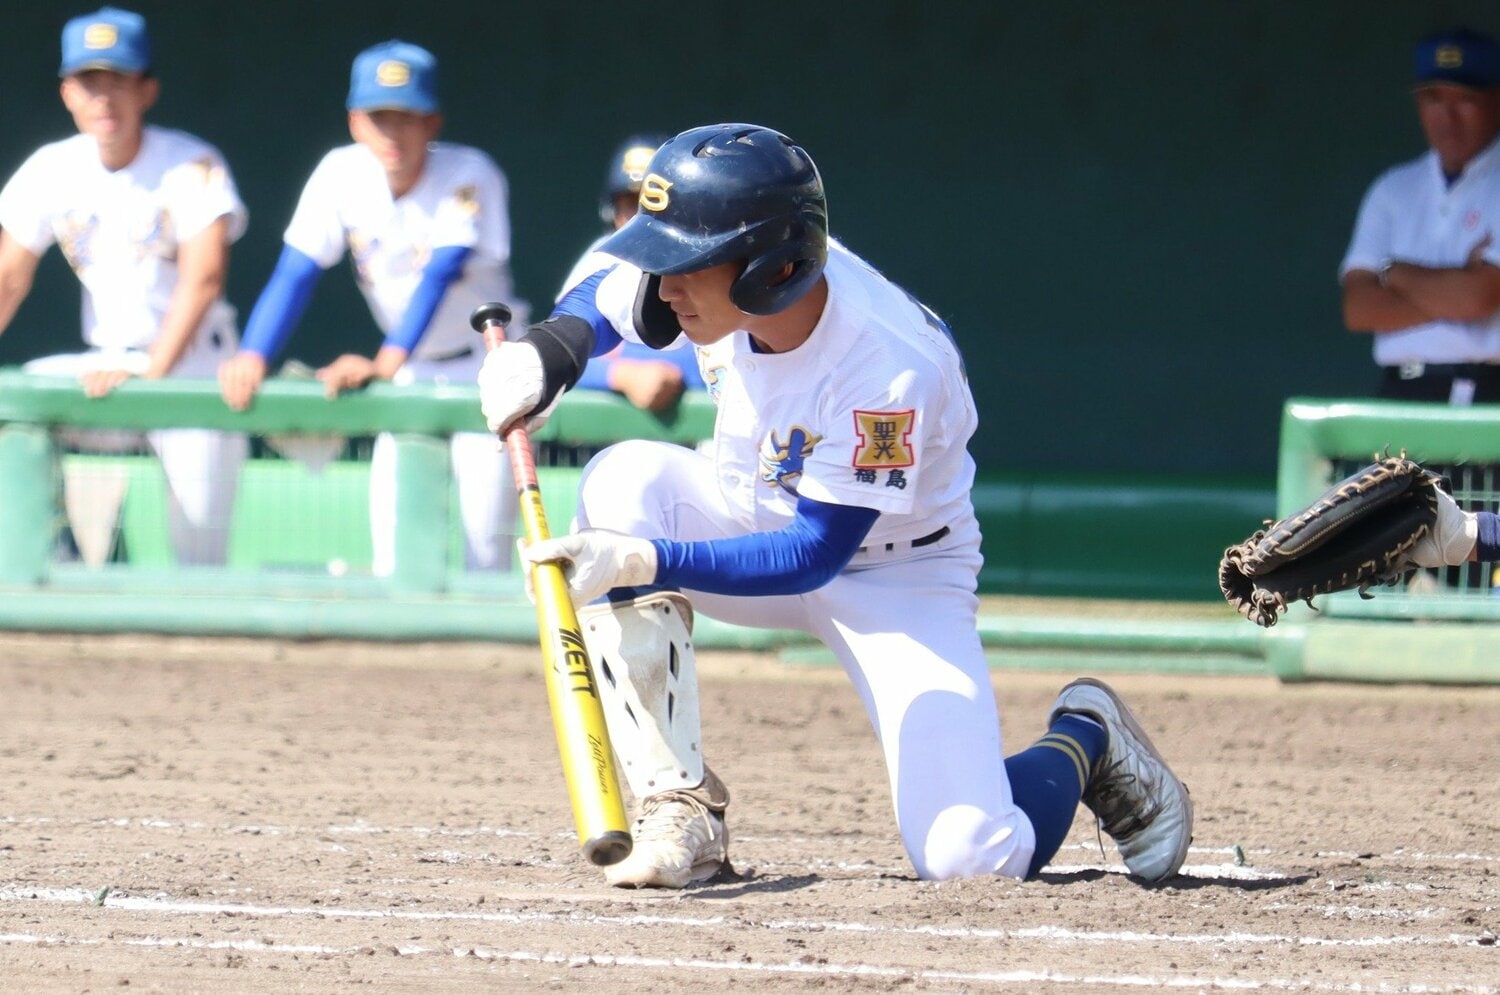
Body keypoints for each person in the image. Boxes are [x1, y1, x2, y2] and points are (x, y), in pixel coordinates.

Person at [476, 123, 1194, 889]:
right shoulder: (721, 276)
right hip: (743, 513)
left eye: (685, 262)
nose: (665, 282)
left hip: (896, 573)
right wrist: (550, 350)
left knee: (970, 857)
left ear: (770, 268)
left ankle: (1085, 737)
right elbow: (605, 292)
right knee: (624, 480)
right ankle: (680, 805)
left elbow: (813, 552)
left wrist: (641, 559)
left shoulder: (887, 365)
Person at [217, 40, 525, 575]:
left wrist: (383, 364)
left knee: (486, 548)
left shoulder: (469, 172)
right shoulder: (340, 173)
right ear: (355, 122)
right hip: (407, 369)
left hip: (486, 366)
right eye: (379, 117)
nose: (392, 133)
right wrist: (253, 354)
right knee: (394, 543)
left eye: (406, 117)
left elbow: (439, 274)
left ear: (432, 122)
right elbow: (296, 272)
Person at [0, 6, 249, 565]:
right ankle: (62, 551)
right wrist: (131, 374)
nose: (104, 98)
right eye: (90, 82)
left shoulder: (191, 164)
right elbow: (8, 278)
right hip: (107, 365)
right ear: (68, 93)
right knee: (16, 403)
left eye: (118, 81)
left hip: (192, 369)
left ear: (146, 90)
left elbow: (204, 278)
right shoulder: (50, 167)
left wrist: (151, 374)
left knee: (200, 559)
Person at [1341, 27, 1500, 404]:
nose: (1447, 117)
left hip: (1488, 391)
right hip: (1403, 390)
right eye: (1433, 99)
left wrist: (1392, 273)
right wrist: (1456, 289)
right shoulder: (1392, 188)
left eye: (1465, 99)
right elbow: (1358, 309)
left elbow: (1477, 298)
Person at [563, 134, 704, 414]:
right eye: (632, 204)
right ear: (612, 212)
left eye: (654, 204)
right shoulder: (600, 257)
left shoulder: (704, 254)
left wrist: (624, 355)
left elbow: (729, 356)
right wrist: (620, 374)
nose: (644, 220)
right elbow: (559, 350)